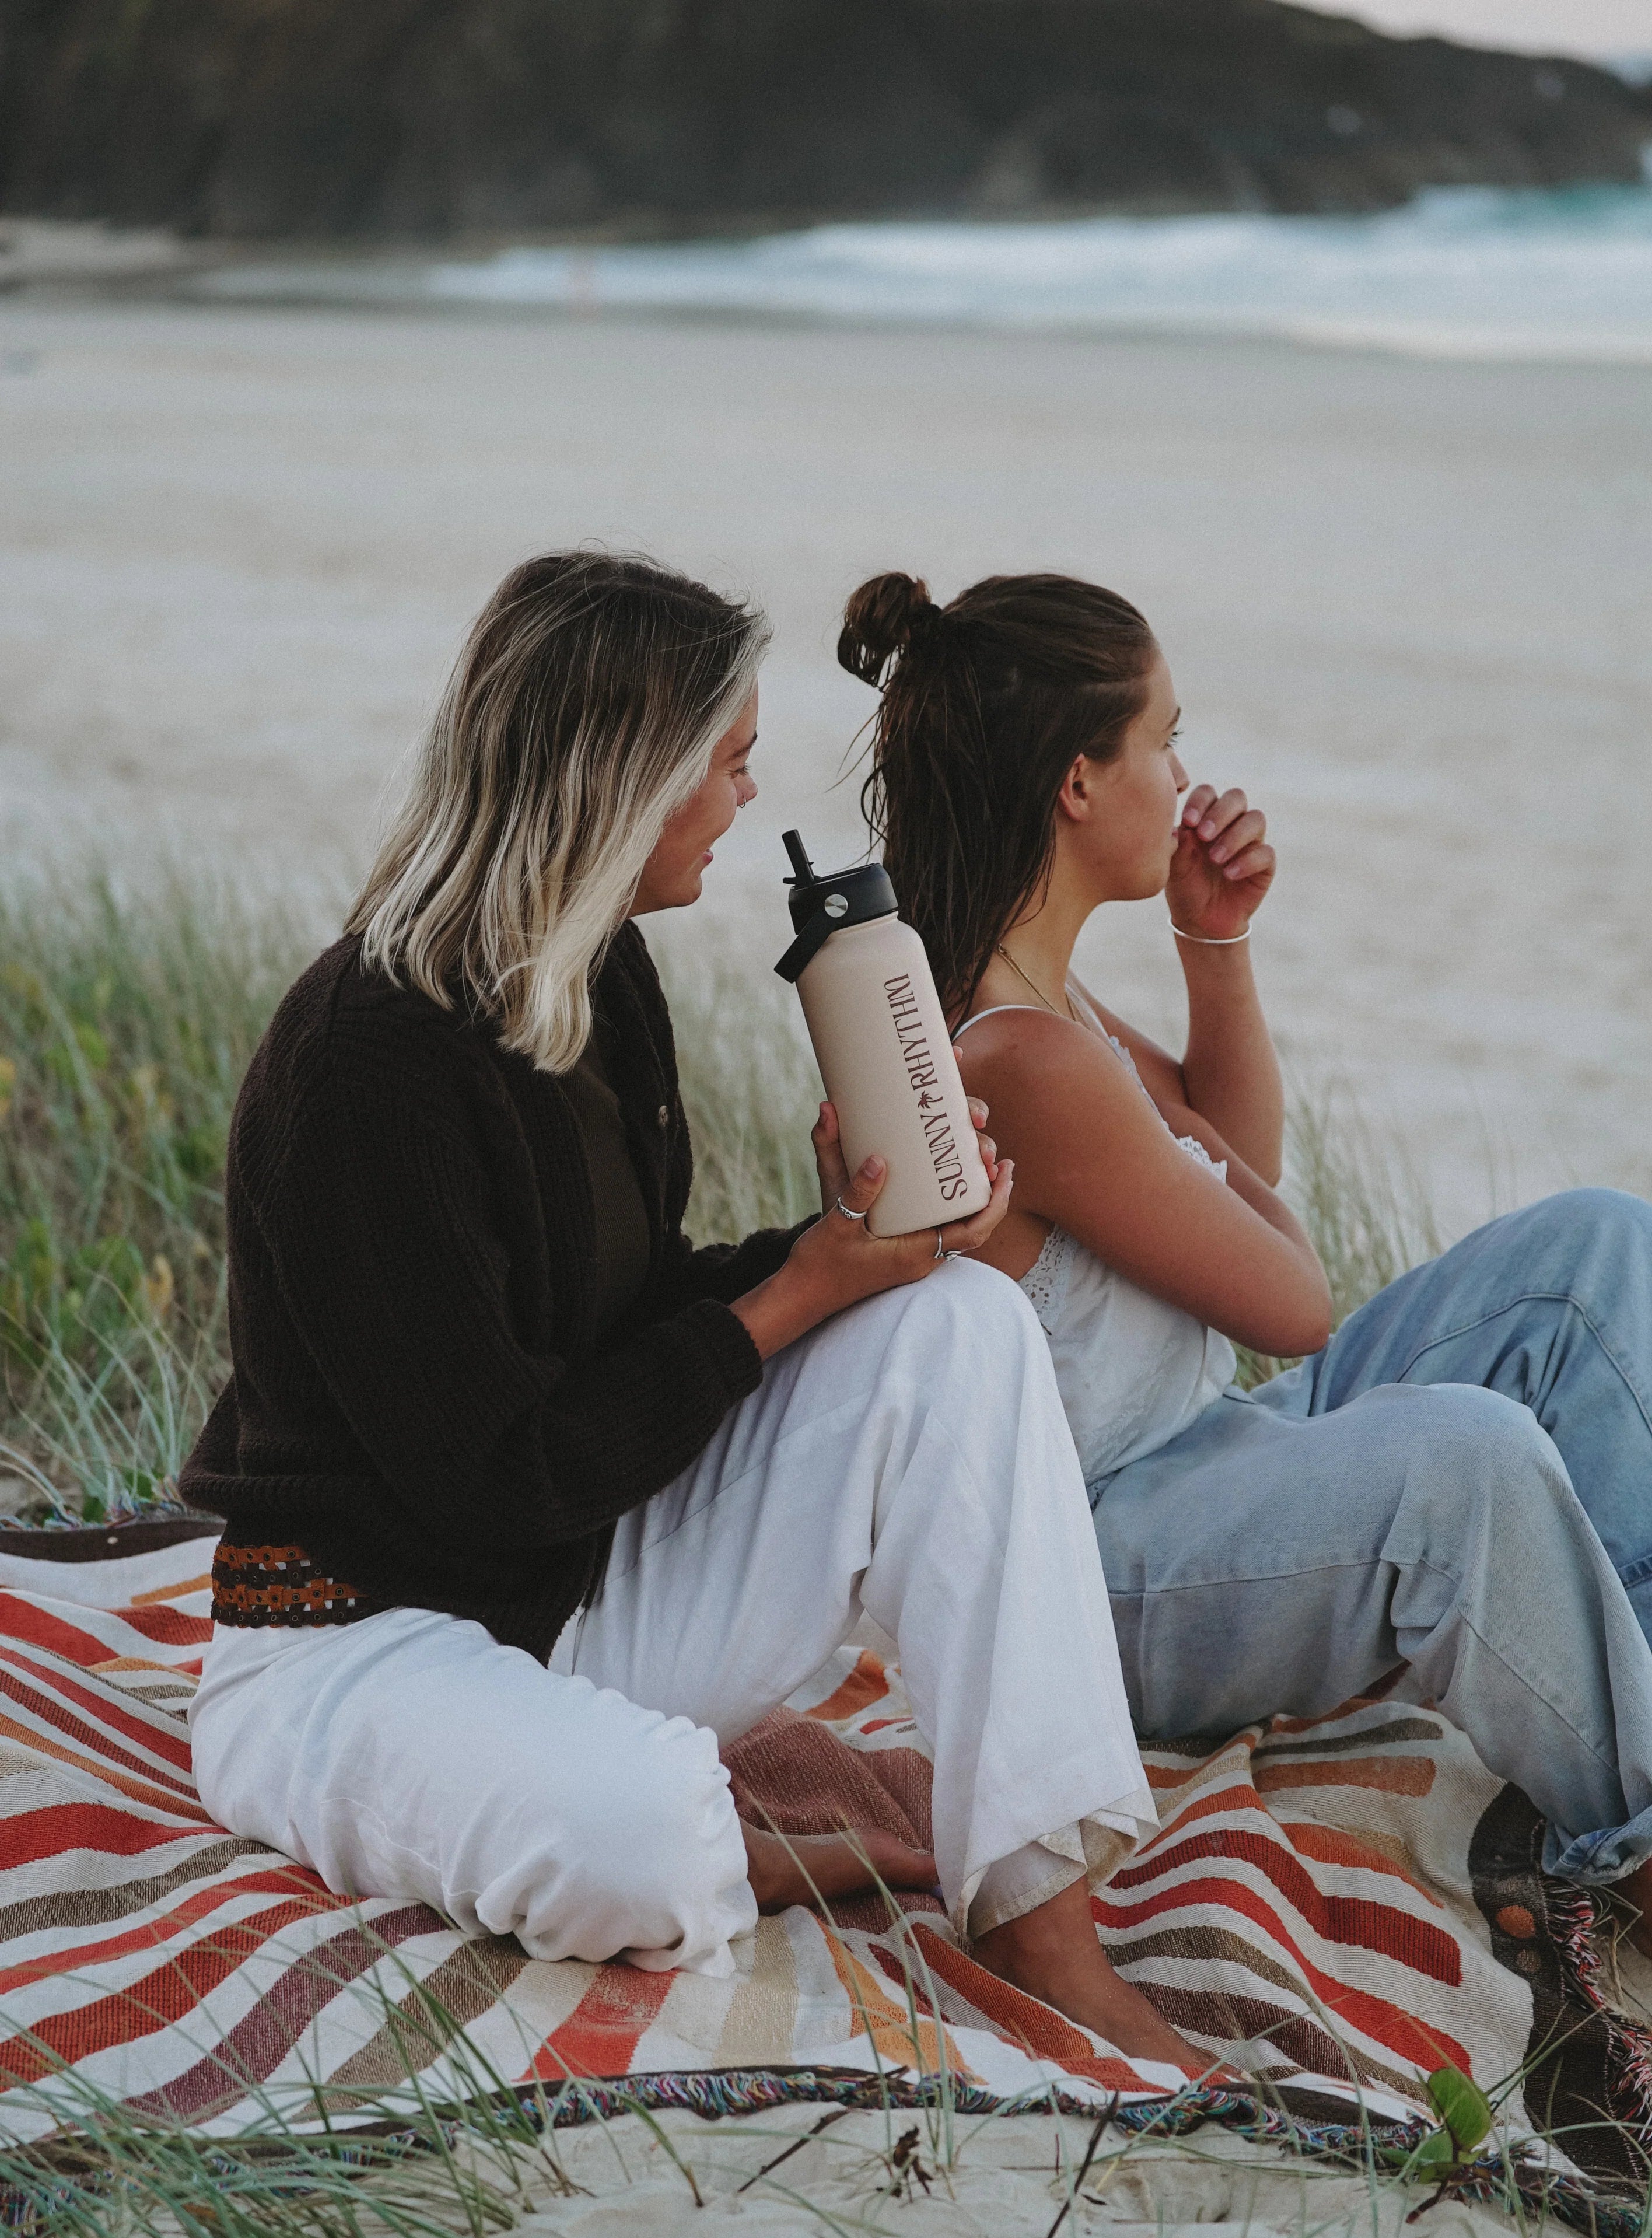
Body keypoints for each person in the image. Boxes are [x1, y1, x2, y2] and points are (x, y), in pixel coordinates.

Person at [180, 549, 1213, 2074]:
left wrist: (852, 1242)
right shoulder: (366, 1066)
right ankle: (788, 1822)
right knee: (651, 1839)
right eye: (725, 764)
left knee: (962, 1322)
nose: (745, 799)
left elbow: (635, 1310)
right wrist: (803, 1285)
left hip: (574, 1586)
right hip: (359, 1641)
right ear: (628, 777)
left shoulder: (600, 981)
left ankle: (1038, 1921)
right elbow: (494, 1471)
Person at [839, 567, 1652, 1946]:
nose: (1184, 772)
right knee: (1470, 1463)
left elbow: (1230, 1168)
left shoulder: (1037, 988)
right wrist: (1210, 1165)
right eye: (1164, 737)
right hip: (1098, 1562)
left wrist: (1215, 946)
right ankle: (1630, 1841)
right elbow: (1295, 1294)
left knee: (1594, 1253)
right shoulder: (1022, 1054)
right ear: (1080, 783)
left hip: (1195, 1451)